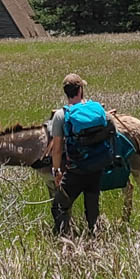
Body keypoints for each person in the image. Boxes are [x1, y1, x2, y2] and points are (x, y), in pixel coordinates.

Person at [49, 73, 106, 236]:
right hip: (96, 167)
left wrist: (56, 171)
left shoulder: (61, 115)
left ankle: (62, 240)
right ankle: (96, 239)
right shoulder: (96, 109)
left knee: (58, 207)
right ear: (81, 89)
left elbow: (57, 149)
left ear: (66, 92)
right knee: (92, 208)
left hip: (76, 171)